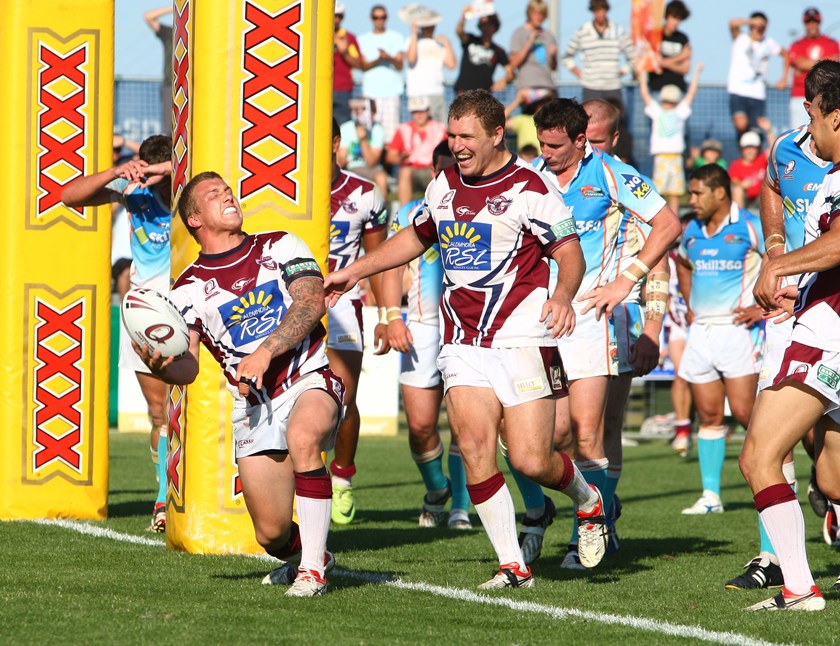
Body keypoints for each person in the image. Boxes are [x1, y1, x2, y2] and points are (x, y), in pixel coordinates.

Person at [325, 89, 609, 589]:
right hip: (461, 341)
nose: (455, 145)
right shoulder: (443, 185)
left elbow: (570, 254)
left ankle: (589, 501)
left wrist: (563, 296)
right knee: (475, 445)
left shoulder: (532, 187)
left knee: (529, 459)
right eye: (450, 135)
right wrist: (356, 271)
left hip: (521, 336)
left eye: (465, 136)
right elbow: (416, 236)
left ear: (497, 134)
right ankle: (512, 565)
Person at [140, 171, 343, 597]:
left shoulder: (280, 244)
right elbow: (189, 368)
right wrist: (161, 367)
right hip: (255, 405)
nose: (228, 196)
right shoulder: (187, 289)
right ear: (195, 219)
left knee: (304, 437)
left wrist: (266, 351)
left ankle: (311, 572)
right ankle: (314, 554)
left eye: (228, 190)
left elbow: (311, 302)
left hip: (310, 377)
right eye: (214, 195)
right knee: (270, 535)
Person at [533, 98, 681, 569]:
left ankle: (590, 530)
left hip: (599, 316)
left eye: (558, 144)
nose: (547, 151)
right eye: (543, 142)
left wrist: (634, 294)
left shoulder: (616, 176)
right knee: (547, 435)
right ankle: (586, 506)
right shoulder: (531, 176)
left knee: (592, 429)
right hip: (543, 316)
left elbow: (664, 236)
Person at [740, 68, 840, 612]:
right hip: (818, 320)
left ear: (834, 116)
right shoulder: (815, 167)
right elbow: (774, 190)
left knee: (759, 456)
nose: (808, 129)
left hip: (828, 327)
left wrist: (776, 265)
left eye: (813, 116)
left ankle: (800, 588)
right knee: (829, 474)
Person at [62, 135, 173, 533]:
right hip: (144, 315)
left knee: (197, 410)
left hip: (190, 312)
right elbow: (68, 196)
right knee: (160, 413)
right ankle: (164, 499)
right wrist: (115, 171)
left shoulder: (189, 193)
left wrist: (167, 171)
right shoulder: (133, 194)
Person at [381, 141, 471, 530]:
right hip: (421, 326)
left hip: (469, 327)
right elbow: (388, 266)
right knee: (420, 426)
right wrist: (390, 317)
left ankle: (461, 509)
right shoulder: (408, 213)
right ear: (433, 172)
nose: (451, 175)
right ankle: (437, 489)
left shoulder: (483, 207)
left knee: (467, 425)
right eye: (444, 169)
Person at [675, 164, 764, 516]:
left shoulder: (750, 226)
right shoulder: (692, 230)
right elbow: (682, 263)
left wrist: (761, 307)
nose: (691, 200)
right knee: (709, 414)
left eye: (697, 193)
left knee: (746, 413)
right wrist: (689, 301)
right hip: (702, 333)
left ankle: (781, 479)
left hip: (739, 331)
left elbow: (783, 262)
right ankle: (711, 496)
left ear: (720, 192)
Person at [327, 119, 389, 525]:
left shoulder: (364, 194)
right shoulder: (278, 193)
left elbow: (380, 258)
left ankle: (342, 478)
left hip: (343, 307)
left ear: (335, 143)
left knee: (342, 398)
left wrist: (387, 314)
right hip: (283, 306)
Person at [638, 62, 703, 215]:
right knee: (658, 191)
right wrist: (642, 76)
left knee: (674, 193)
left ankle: (673, 220)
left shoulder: (679, 111)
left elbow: (691, 94)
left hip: (675, 156)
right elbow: (645, 94)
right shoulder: (657, 111)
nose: (667, 104)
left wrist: (697, 74)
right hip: (661, 156)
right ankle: (659, 219)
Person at [562, 0, 636, 103]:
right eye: (596, 11)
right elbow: (566, 57)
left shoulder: (618, 31)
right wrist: (581, 74)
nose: (599, 14)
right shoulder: (583, 31)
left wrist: (623, 71)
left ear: (606, 10)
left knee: (615, 117)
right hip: (590, 87)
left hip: (613, 86)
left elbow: (633, 57)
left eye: (601, 10)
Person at [726, 13, 786, 137]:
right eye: (757, 25)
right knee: (741, 124)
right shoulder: (741, 38)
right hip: (738, 90)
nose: (760, 28)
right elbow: (732, 23)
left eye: (763, 25)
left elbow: (786, 55)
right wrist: (751, 21)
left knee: (756, 131)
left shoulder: (769, 43)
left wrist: (784, 78)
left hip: (758, 93)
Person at [781, 7, 839, 130]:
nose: (812, 25)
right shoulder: (797, 44)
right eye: (809, 22)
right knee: (799, 133)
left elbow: (835, 60)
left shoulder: (831, 43)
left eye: (815, 21)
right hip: (799, 96)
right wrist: (823, 61)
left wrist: (807, 63)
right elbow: (798, 63)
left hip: (824, 97)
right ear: (805, 23)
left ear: (819, 22)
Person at [385, 98, 448, 206]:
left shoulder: (440, 129)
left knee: (439, 173)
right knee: (405, 171)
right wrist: (401, 157)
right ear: (411, 113)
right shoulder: (403, 129)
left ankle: (438, 211)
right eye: (415, 112)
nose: (419, 115)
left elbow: (449, 154)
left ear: (428, 111)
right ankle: (404, 215)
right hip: (411, 170)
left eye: (422, 111)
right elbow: (390, 157)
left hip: (431, 170)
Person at [358, 5, 405, 144]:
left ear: (387, 18)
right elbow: (363, 66)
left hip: (391, 93)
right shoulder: (363, 39)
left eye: (382, 17)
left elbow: (400, 65)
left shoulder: (397, 37)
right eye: (376, 17)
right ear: (371, 19)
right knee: (368, 133)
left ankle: (387, 165)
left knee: (390, 138)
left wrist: (388, 58)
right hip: (370, 93)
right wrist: (380, 59)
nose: (379, 20)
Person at [405, 19, 456, 125]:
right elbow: (410, 58)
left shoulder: (439, 44)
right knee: (419, 128)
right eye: (426, 25)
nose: (429, 28)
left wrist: (447, 44)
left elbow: (451, 65)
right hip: (417, 92)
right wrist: (414, 33)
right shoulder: (411, 41)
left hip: (437, 92)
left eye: (431, 25)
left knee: (440, 129)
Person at [338, 98, 390, 199]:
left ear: (373, 113)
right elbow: (341, 161)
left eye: (364, 109)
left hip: (371, 169)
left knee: (381, 178)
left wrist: (363, 140)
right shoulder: (345, 128)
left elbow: (371, 162)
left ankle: (381, 211)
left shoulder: (377, 129)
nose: (359, 112)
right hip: (351, 167)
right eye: (355, 109)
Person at [454, 9, 513, 94]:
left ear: (494, 26)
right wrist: (464, 16)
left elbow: (510, 73)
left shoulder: (498, 50)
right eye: (483, 25)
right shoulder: (470, 40)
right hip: (463, 91)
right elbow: (459, 31)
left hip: (483, 95)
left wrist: (503, 80)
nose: (486, 28)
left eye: (489, 24)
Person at [509, 0, 558, 95]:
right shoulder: (519, 33)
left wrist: (553, 56)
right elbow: (513, 63)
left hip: (548, 86)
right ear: (529, 14)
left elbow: (554, 67)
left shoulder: (549, 36)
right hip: (527, 87)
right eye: (536, 14)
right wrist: (529, 43)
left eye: (542, 14)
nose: (539, 17)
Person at [647, 1, 692, 96]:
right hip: (657, 88)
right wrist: (680, 57)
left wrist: (664, 63)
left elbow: (685, 69)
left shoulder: (683, 38)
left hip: (678, 89)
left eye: (679, 19)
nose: (676, 22)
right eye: (674, 18)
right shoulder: (655, 36)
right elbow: (654, 63)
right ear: (667, 16)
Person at [729, 124, 775, 214]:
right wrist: (741, 184)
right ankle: (741, 219)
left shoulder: (762, 160)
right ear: (742, 149)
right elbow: (733, 181)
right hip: (745, 198)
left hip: (761, 197)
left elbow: (774, 149)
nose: (750, 151)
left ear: (758, 149)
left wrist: (769, 131)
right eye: (747, 148)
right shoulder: (736, 165)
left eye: (753, 148)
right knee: (737, 190)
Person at [143, 7, 174, 135]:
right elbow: (149, 16)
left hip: (194, 85)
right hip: (170, 84)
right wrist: (176, 8)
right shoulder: (169, 33)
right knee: (169, 129)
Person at [333, 2, 362, 127]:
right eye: (334, 15)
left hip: (343, 89)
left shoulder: (349, 37)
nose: (336, 19)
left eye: (339, 16)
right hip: (320, 88)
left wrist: (344, 52)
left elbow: (358, 64)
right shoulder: (317, 35)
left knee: (343, 127)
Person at [504, 88, 555, 155]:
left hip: (546, 162)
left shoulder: (555, 121)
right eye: (542, 103)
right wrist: (517, 100)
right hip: (526, 161)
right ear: (536, 105)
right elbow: (499, 120)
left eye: (548, 103)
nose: (545, 106)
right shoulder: (523, 120)